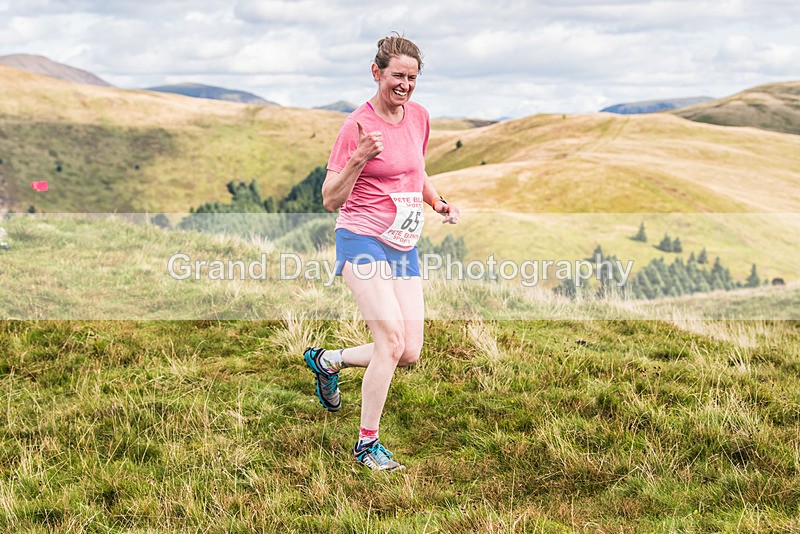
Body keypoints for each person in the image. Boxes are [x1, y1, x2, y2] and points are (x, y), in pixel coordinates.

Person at [304, 33, 460, 471]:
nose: (405, 85)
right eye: (397, 75)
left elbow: (417, 169)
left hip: (403, 244)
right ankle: (366, 444)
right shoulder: (355, 125)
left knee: (408, 350)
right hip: (361, 238)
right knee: (390, 341)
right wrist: (359, 158)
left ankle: (327, 360)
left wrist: (436, 201)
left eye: (412, 77)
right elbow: (329, 199)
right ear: (377, 73)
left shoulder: (420, 117)